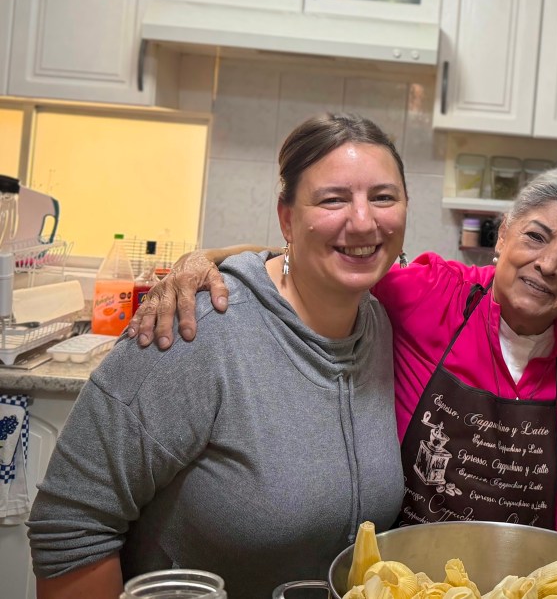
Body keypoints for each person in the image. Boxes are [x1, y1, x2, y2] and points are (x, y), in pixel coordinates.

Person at [28, 113, 409, 598]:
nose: (363, 220)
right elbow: (71, 522)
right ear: (287, 218)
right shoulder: (196, 328)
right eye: (332, 199)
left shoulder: (383, 324)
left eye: (383, 197)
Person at [127, 164, 557, 532]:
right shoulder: (431, 294)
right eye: (535, 236)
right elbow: (311, 263)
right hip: (404, 579)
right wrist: (208, 258)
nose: (548, 264)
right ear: (504, 234)